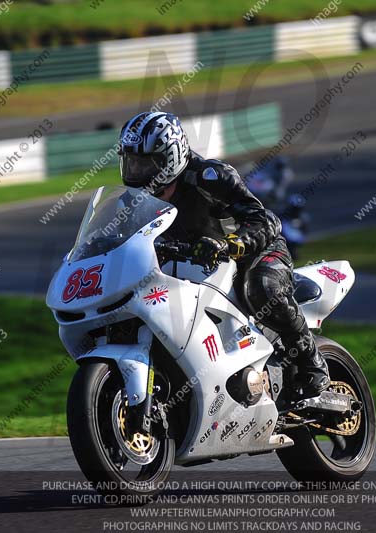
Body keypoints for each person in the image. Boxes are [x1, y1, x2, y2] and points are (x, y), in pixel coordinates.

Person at [116, 111, 330, 399]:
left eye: (145, 163)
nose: (136, 171)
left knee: (262, 288)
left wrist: (232, 244)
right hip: (191, 268)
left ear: (171, 155)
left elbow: (263, 219)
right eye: (131, 162)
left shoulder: (210, 177)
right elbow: (117, 240)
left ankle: (312, 363)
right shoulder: (133, 201)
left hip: (252, 253)